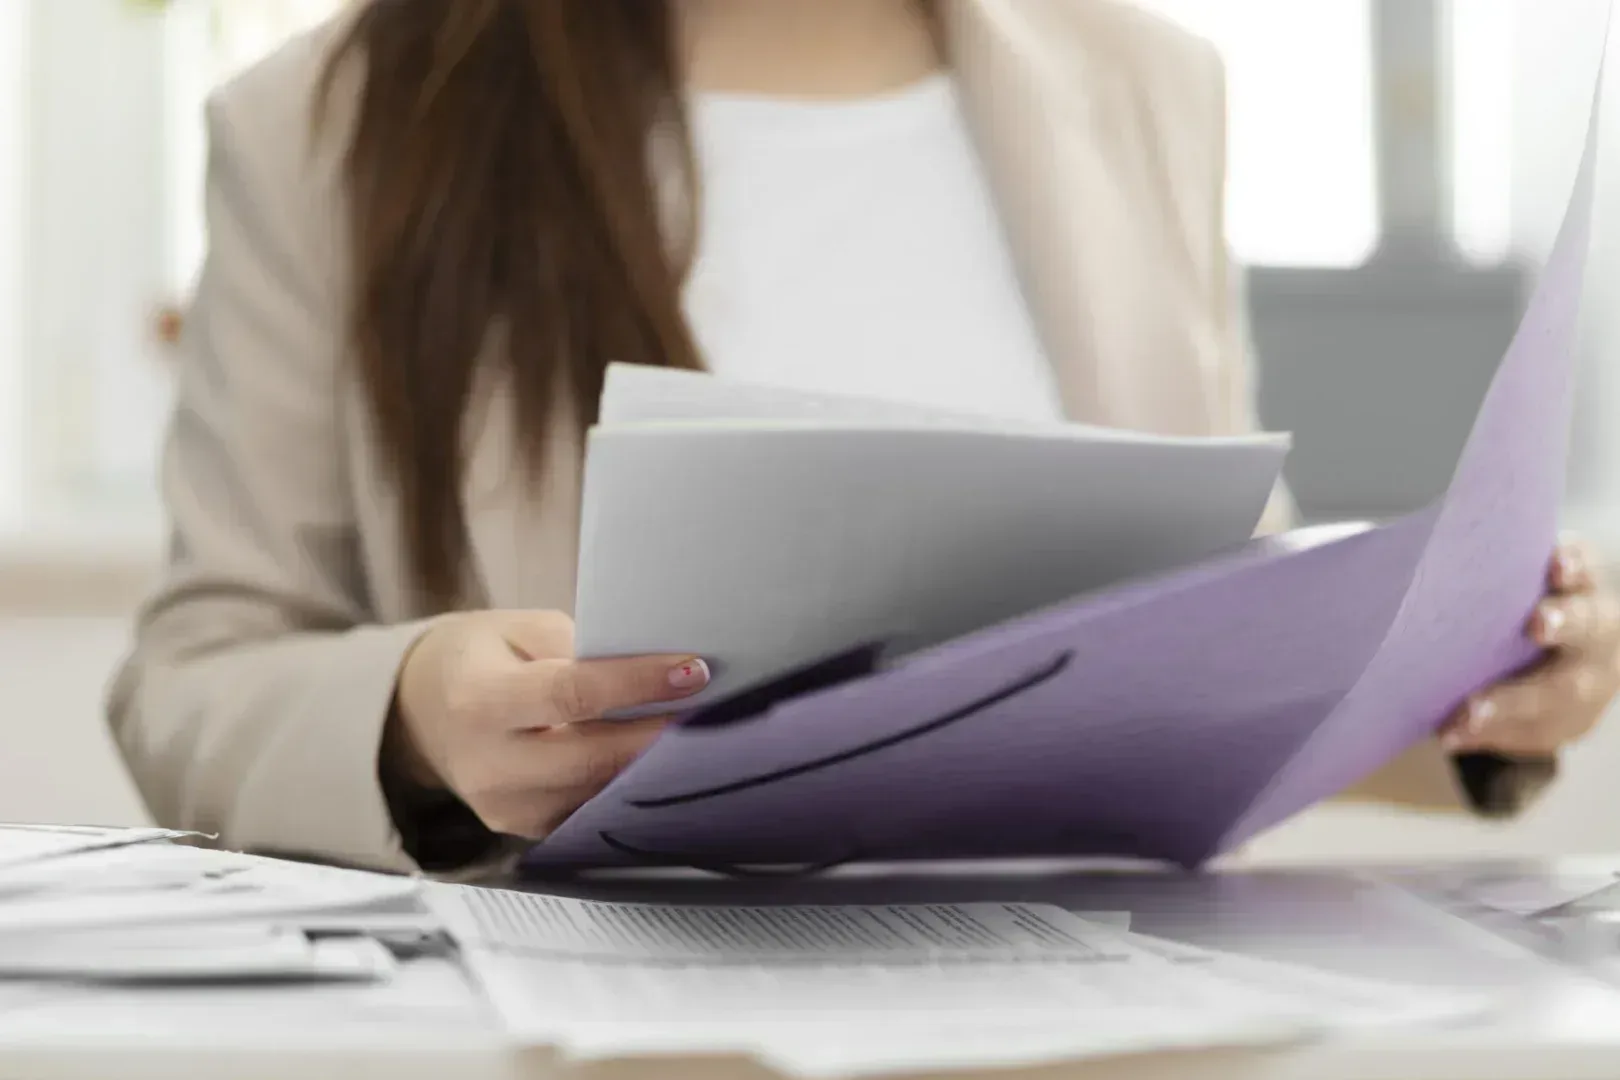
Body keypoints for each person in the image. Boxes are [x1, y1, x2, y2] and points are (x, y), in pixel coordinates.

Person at [108, 0, 1620, 876]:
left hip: (1092, 1017)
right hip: (588, 1029)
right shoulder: (329, 120)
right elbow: (195, 674)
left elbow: (1225, 657)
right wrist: (416, 715)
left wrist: (1491, 683)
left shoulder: (1146, 87)